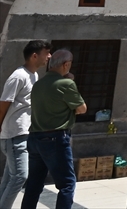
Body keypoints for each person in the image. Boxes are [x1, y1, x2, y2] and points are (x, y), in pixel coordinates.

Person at [20, 49, 85, 209]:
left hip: (35, 138)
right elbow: (82, 108)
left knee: (34, 184)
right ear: (66, 64)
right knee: (67, 184)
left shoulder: (38, 84)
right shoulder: (66, 84)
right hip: (55, 139)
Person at [0, 40, 51, 209]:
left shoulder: (33, 75)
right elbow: (4, 104)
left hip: (23, 133)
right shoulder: (18, 76)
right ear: (34, 55)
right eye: (46, 53)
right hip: (14, 134)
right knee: (19, 177)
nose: (49, 57)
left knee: (9, 178)